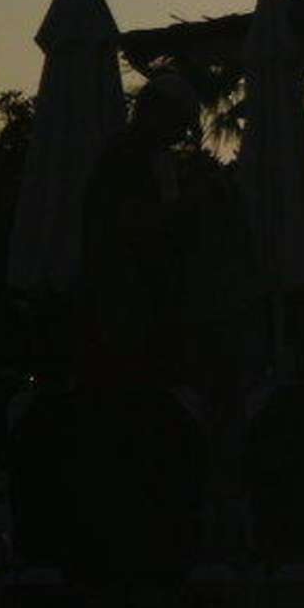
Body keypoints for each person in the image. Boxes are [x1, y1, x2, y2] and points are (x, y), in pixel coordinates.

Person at [73, 73, 206, 390]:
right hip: (127, 309)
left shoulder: (150, 157)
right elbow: (131, 222)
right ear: (158, 113)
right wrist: (188, 207)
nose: (182, 134)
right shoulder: (127, 156)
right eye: (180, 123)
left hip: (137, 306)